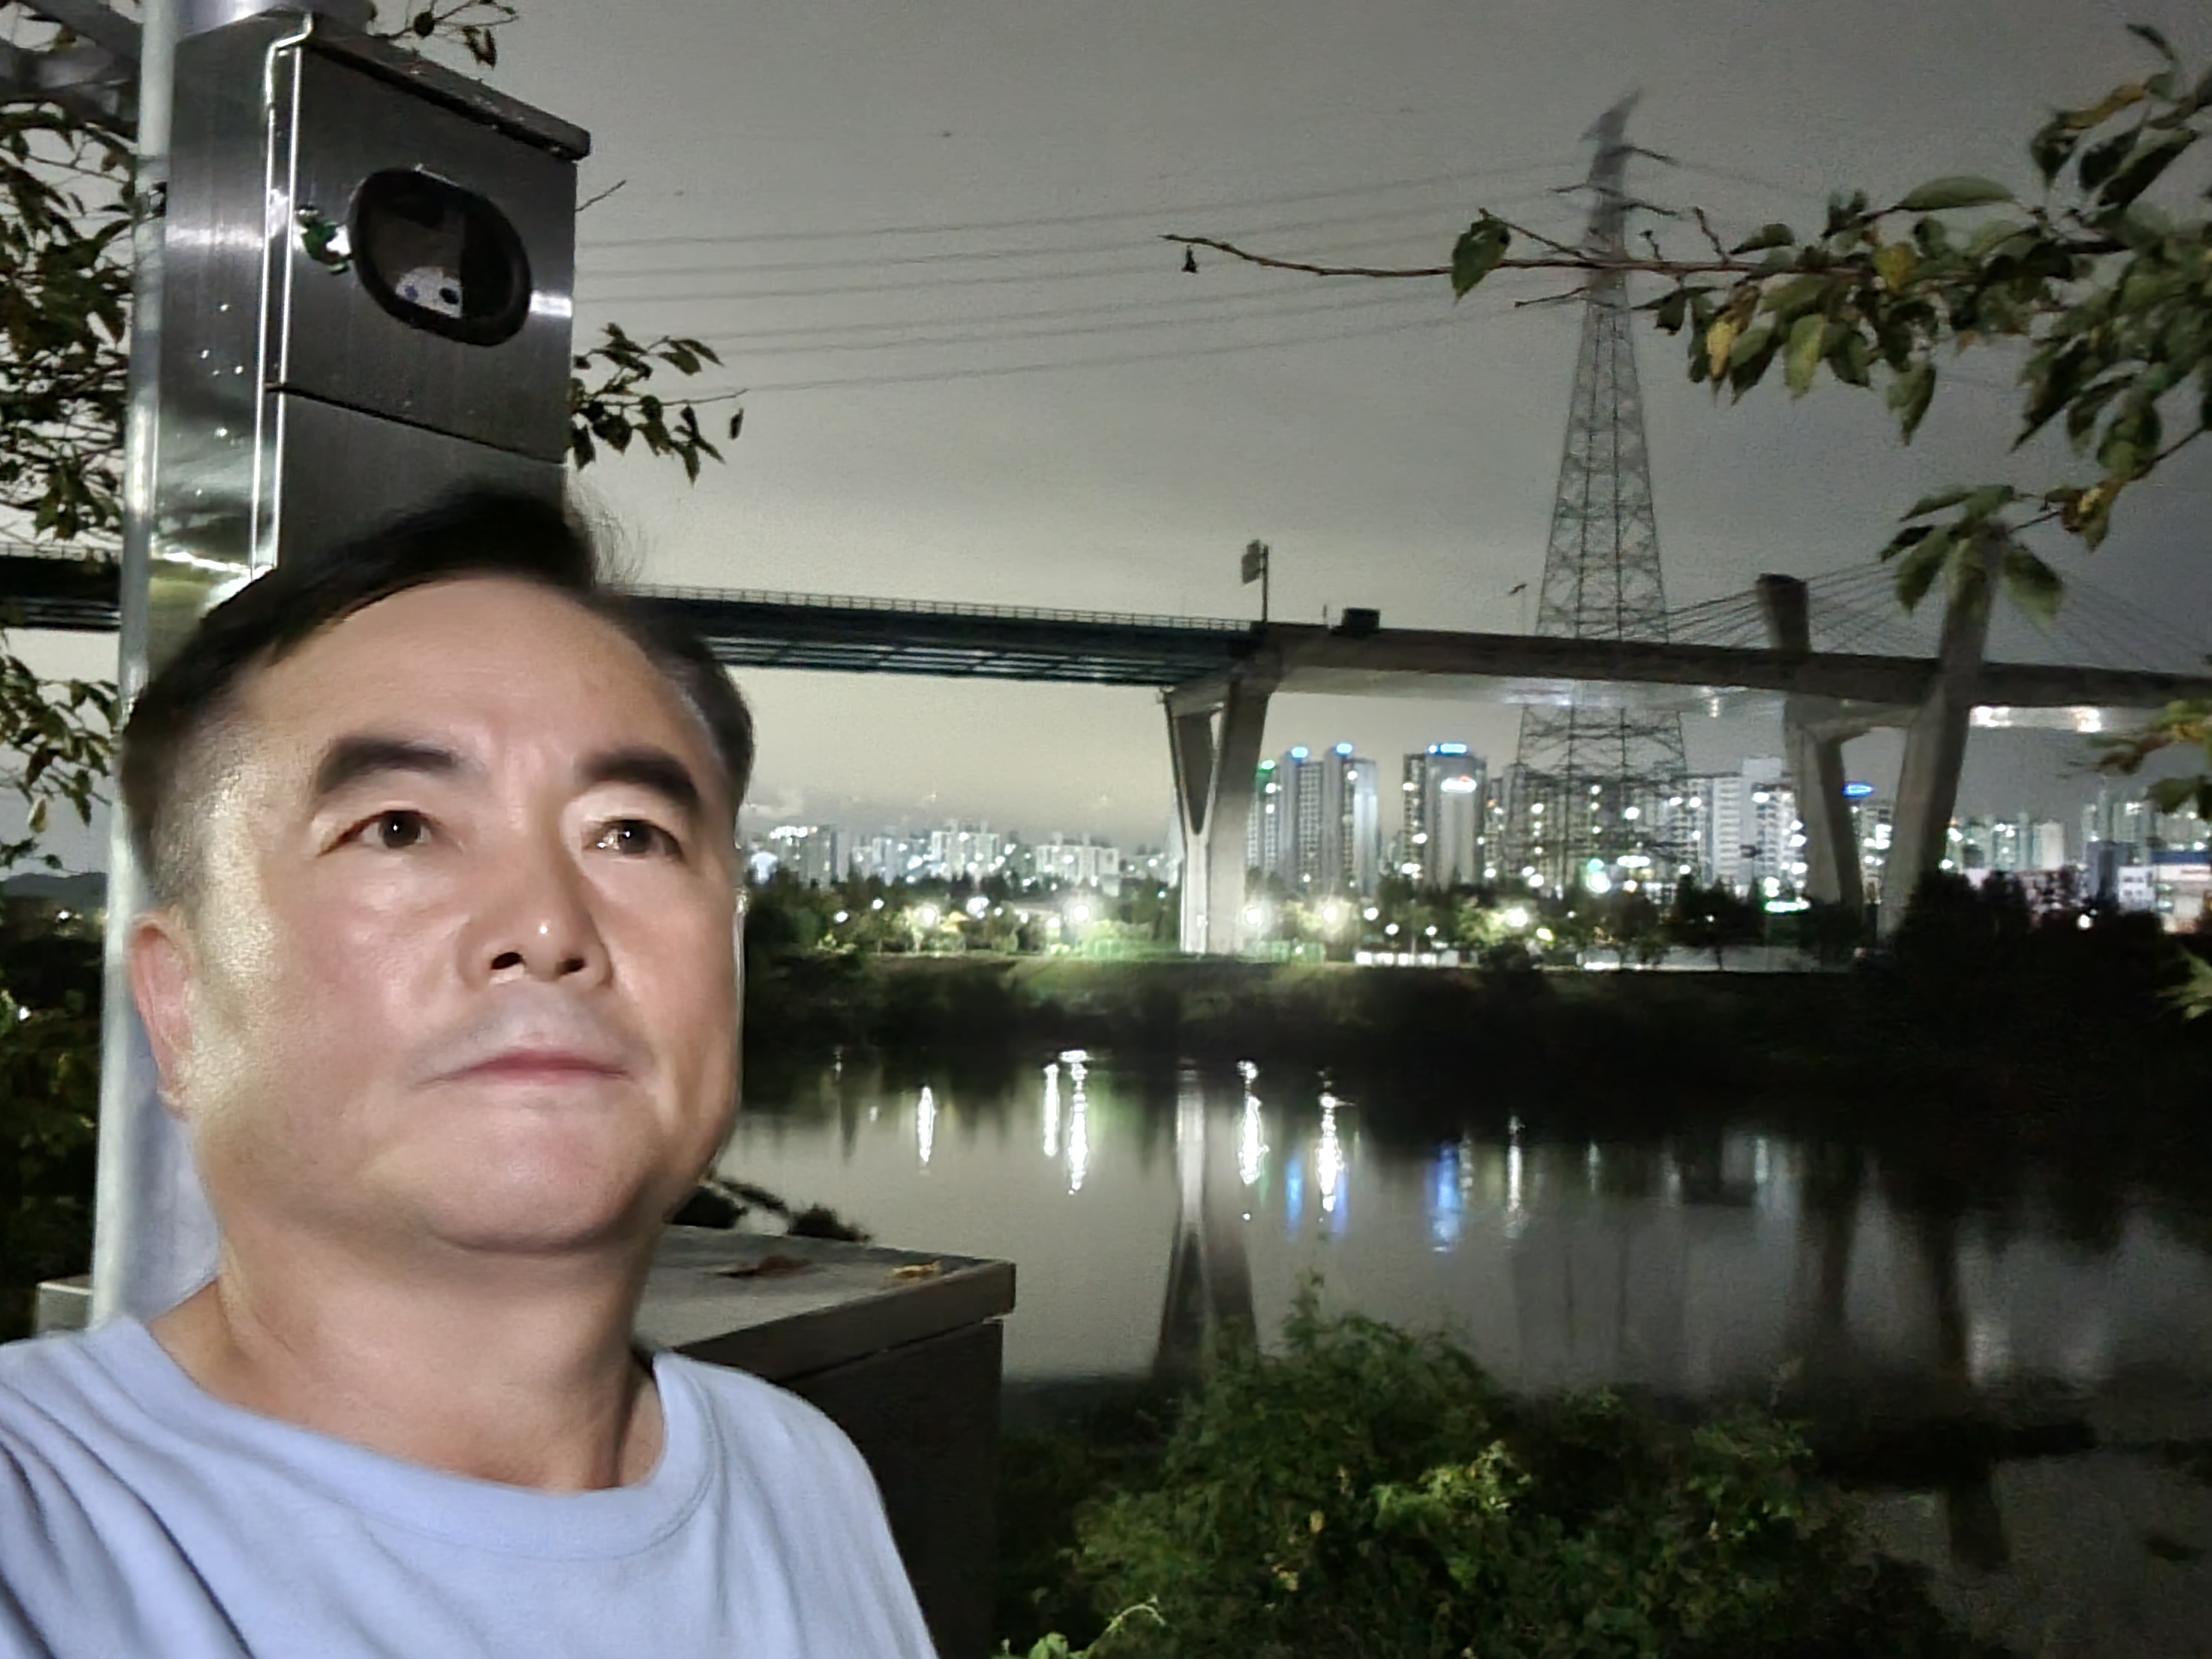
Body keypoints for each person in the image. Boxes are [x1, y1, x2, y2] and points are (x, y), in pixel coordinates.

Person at [0, 490, 938, 1657]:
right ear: (178, 1004)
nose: (546, 926)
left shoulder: (800, 1479)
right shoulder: (40, 1530)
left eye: (632, 835)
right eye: (399, 827)